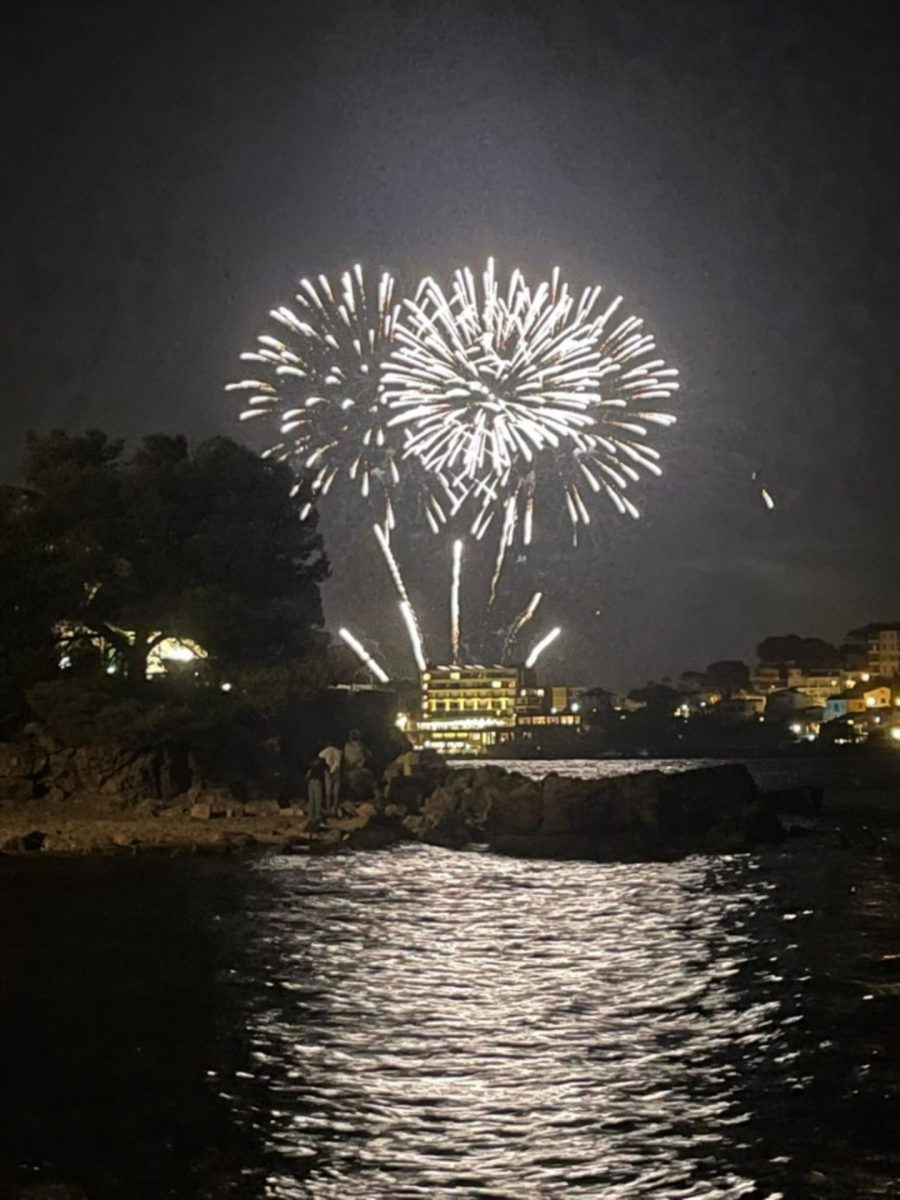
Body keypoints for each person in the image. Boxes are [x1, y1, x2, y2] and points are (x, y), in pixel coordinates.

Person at [318, 744, 342, 813]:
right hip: (337, 770)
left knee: (328, 793)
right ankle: (334, 810)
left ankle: (328, 809)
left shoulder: (327, 750)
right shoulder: (339, 751)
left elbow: (320, 756)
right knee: (336, 793)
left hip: (328, 770)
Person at [305, 756, 327, 829]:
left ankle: (311, 819)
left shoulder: (311, 765)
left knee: (312, 801)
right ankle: (317, 818)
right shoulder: (322, 764)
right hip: (317, 781)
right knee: (318, 801)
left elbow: (307, 775)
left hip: (311, 782)